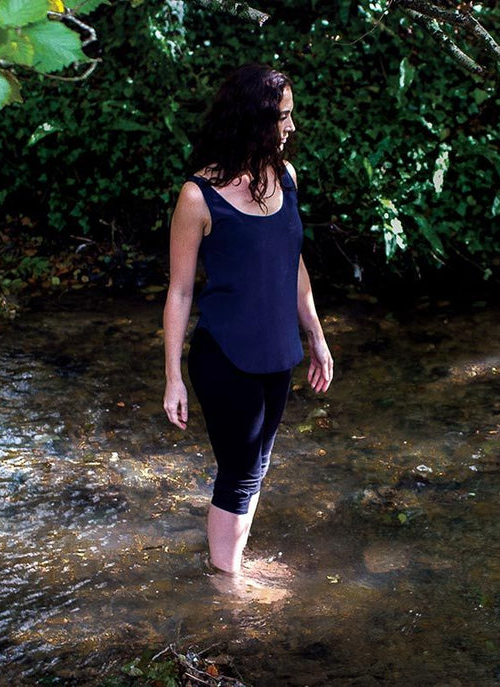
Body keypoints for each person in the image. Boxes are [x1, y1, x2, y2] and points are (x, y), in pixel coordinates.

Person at [162, 64, 334, 576]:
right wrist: (173, 377)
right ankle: (227, 585)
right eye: (284, 116)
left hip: (277, 352)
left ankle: (228, 565)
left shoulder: (287, 178)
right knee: (238, 471)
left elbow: (293, 263)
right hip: (225, 354)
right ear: (254, 120)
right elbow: (180, 289)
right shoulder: (198, 196)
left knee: (256, 469)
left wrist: (317, 336)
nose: (292, 127)